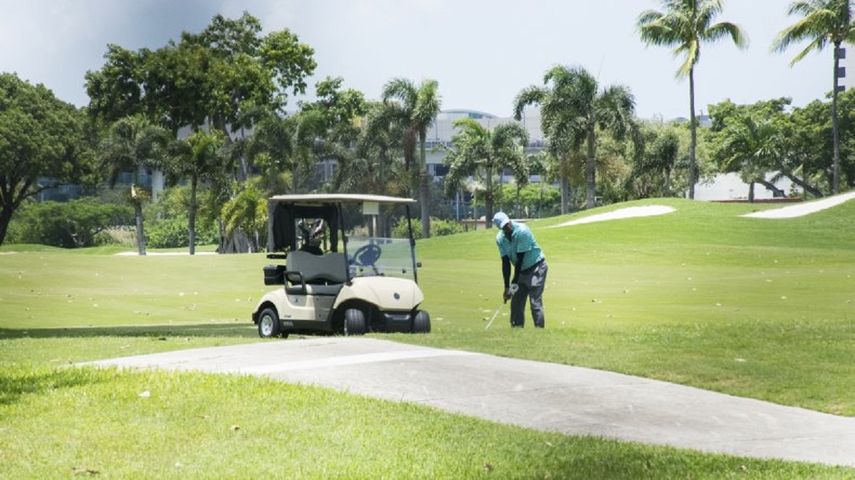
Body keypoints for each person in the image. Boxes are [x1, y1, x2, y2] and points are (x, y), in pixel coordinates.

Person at [492, 212, 548, 328]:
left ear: (509, 221)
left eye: (508, 224)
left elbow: (519, 261)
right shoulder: (500, 239)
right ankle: (517, 331)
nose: (508, 227)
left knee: (535, 302)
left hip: (536, 267)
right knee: (516, 303)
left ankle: (539, 332)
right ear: (500, 228)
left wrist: (514, 283)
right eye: (504, 227)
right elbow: (506, 263)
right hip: (522, 271)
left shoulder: (522, 231)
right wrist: (507, 288)